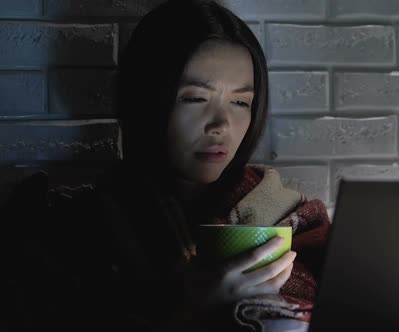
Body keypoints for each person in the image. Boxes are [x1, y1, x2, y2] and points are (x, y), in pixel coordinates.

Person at [4, 0, 330, 331]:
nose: (221, 125)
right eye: (195, 99)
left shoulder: (296, 222)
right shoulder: (73, 230)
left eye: (240, 102)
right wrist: (191, 309)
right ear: (145, 98)